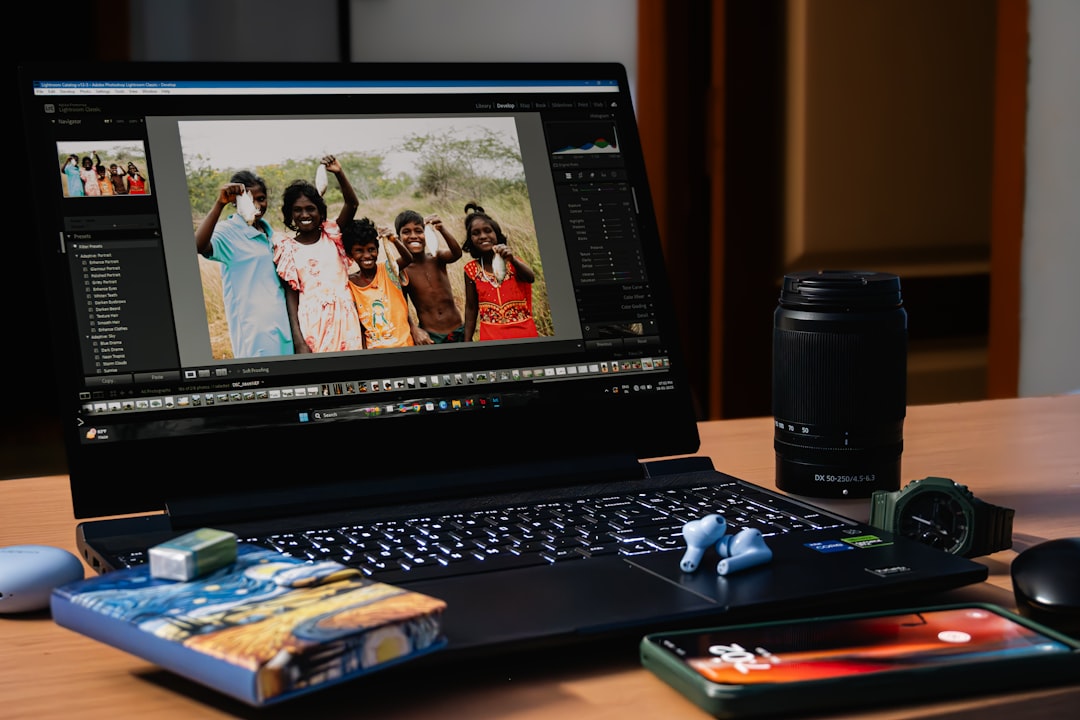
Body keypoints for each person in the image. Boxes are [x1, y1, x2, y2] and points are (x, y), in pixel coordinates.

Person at [194, 170, 294, 358]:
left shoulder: (272, 235)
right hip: (255, 333)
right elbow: (198, 245)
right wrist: (219, 203)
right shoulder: (228, 232)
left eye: (262, 198)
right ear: (235, 202)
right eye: (250, 199)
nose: (257, 205)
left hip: (283, 327)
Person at [274, 155, 364, 353]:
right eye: (297, 210)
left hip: (345, 318)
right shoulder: (288, 249)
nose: (304, 215)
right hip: (312, 324)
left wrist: (339, 173)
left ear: (320, 212)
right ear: (290, 214)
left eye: (310, 209)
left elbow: (352, 204)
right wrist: (298, 341)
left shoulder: (332, 235)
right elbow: (292, 297)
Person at [461, 202, 539, 341]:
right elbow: (471, 308)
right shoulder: (471, 270)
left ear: (497, 235)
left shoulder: (514, 262)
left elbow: (530, 278)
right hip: (491, 338)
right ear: (471, 240)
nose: (483, 236)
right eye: (476, 233)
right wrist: (467, 341)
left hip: (524, 335)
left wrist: (512, 260)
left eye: (488, 231)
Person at [342, 218, 417, 349]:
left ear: (377, 249)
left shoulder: (389, 270)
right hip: (375, 352)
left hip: (405, 346)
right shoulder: (350, 284)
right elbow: (359, 326)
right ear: (350, 254)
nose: (367, 255)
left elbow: (408, 258)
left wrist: (393, 239)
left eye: (371, 249)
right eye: (359, 250)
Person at [396, 209, 464, 344]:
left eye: (419, 231)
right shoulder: (402, 270)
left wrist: (441, 228)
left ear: (426, 233)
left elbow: (456, 253)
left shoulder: (437, 257)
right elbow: (402, 305)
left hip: (457, 329)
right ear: (398, 239)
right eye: (406, 232)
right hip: (432, 335)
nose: (413, 236)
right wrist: (414, 329)